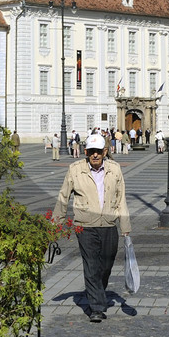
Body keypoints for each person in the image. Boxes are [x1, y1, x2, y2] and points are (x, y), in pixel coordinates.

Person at [54, 134, 131, 322]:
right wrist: (57, 223)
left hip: (108, 225)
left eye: (98, 152)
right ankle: (96, 307)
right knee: (91, 265)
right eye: (91, 152)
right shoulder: (75, 170)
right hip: (85, 226)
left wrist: (125, 225)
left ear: (105, 152)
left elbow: (121, 198)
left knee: (106, 265)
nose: (95, 155)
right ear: (85, 152)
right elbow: (64, 196)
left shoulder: (114, 169)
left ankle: (97, 292)